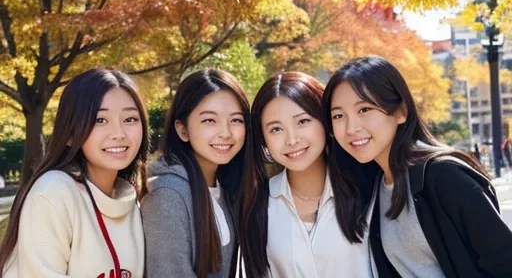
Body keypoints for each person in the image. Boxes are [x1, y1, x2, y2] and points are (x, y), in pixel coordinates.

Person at [323, 56, 512, 278]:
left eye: (364, 109)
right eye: (338, 115)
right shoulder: (375, 185)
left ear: (401, 112)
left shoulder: (444, 176)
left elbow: (504, 263)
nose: (350, 128)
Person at [0, 69, 149, 278]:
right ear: (70, 134)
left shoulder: (131, 198)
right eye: (100, 120)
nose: (119, 133)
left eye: (130, 119)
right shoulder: (53, 192)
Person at [239, 72, 374, 278]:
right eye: (276, 129)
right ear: (263, 139)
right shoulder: (257, 204)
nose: (292, 140)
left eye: (302, 122)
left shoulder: (368, 187)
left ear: (325, 122)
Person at [142, 68, 249, 278]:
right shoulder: (168, 195)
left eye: (236, 120)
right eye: (210, 120)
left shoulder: (227, 186)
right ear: (182, 130)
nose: (225, 133)